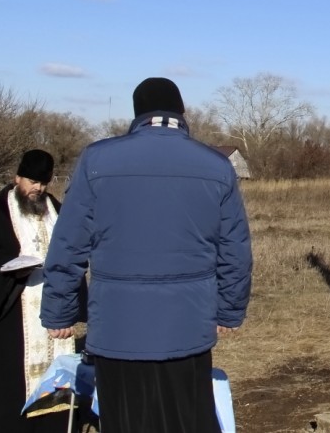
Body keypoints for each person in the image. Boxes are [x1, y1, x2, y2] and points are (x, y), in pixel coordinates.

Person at [41, 77, 253, 433]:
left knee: (126, 421)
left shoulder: (97, 160)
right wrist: (229, 310)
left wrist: (60, 312)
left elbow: (68, 244)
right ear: (181, 113)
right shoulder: (216, 166)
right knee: (187, 420)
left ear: (138, 113)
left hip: (117, 329)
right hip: (187, 327)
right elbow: (235, 250)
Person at [0, 149, 79, 432]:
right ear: (17, 177)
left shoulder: (56, 210)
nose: (37, 188)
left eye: (43, 182)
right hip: (11, 308)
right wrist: (11, 267)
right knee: (7, 378)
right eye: (31, 181)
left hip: (50, 308)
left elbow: (73, 254)